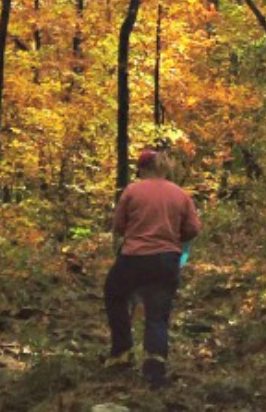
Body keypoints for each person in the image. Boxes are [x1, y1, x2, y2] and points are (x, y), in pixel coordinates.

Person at [104, 147, 201, 389]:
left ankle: (122, 352)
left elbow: (118, 226)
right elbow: (193, 230)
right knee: (157, 314)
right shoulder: (180, 194)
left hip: (134, 258)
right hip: (167, 260)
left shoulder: (132, 190)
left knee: (114, 294)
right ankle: (154, 366)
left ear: (141, 168)